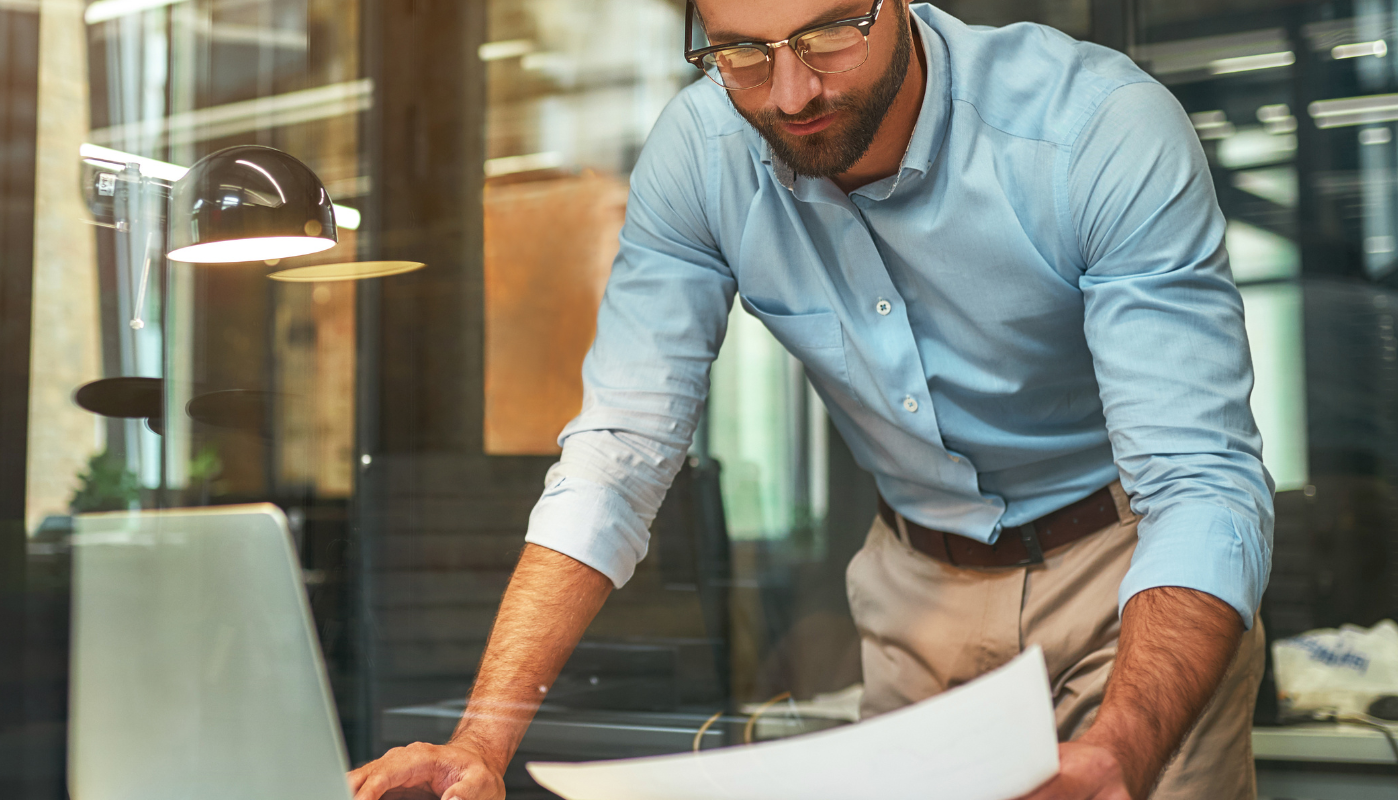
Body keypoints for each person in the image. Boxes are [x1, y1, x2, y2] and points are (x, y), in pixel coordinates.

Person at [347, 0, 1271, 798]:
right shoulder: (700, 154)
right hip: (916, 590)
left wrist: (1122, 749)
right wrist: (482, 741)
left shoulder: (1097, 128)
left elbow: (1200, 483)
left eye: (829, 35)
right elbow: (618, 456)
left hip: (1129, 574)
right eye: (741, 53)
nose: (790, 95)